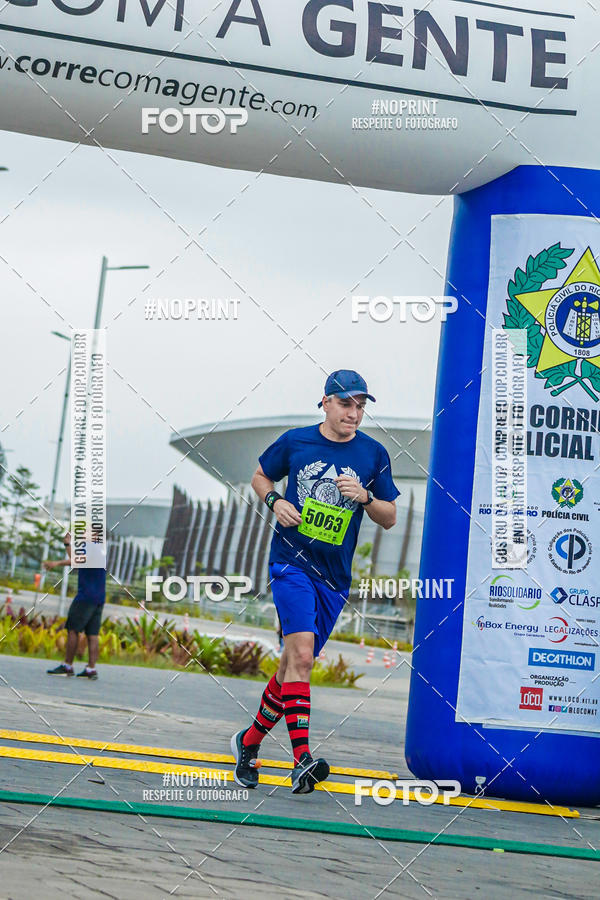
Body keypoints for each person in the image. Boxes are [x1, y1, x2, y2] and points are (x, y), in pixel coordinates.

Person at [231, 370, 399, 794]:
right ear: (324, 403)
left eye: (361, 406)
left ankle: (248, 744)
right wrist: (276, 501)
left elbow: (390, 516)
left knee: (293, 666)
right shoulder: (296, 441)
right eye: (346, 404)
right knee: (302, 656)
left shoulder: (373, 454)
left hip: (334, 579)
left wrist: (364, 497)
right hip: (291, 564)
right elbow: (259, 477)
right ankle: (302, 759)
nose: (354, 413)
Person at [44, 533, 107, 680]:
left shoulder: (91, 549)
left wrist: (61, 555)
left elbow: (76, 561)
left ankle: (67, 665)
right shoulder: (99, 551)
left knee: (73, 630)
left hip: (85, 598)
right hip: (98, 598)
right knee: (92, 635)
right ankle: (91, 669)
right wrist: (63, 552)